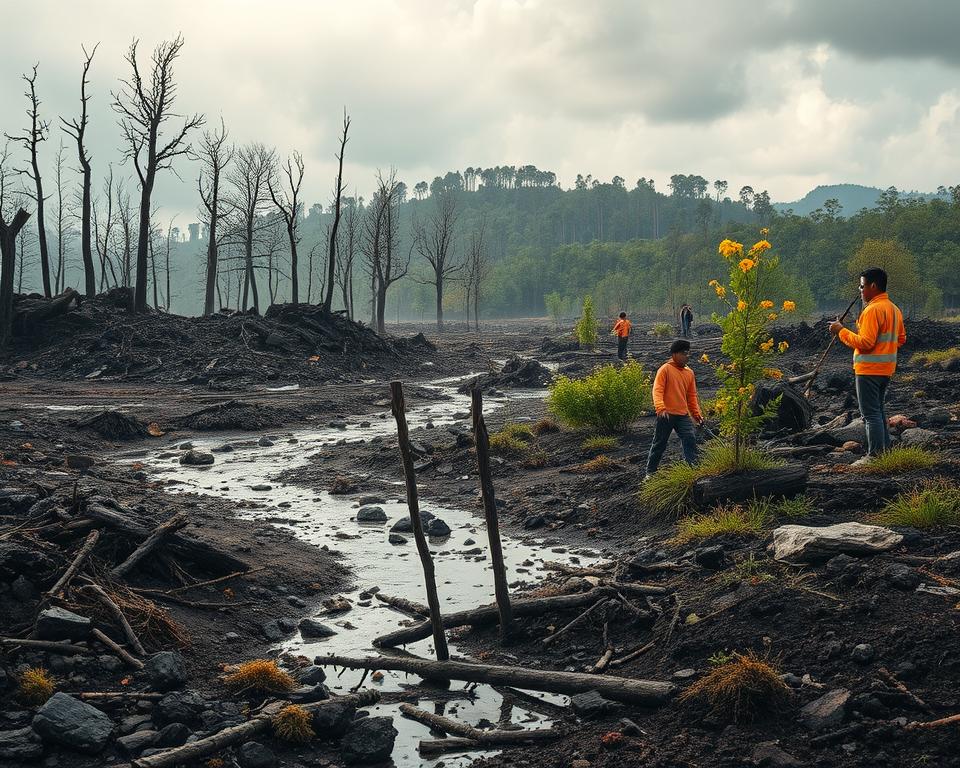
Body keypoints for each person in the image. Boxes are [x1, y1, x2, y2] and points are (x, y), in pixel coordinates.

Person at [829, 267, 905, 464]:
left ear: (873, 285)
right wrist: (884, 350)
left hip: (869, 371)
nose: (860, 290)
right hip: (886, 369)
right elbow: (901, 339)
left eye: (862, 286)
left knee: (870, 415)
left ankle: (874, 456)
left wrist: (840, 331)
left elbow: (865, 343)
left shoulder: (872, 310)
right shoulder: (894, 309)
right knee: (879, 412)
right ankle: (885, 453)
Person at [645, 338, 703, 479]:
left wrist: (696, 415)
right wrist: (660, 408)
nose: (687, 356)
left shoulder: (689, 373)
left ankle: (692, 470)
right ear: (674, 354)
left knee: (690, 438)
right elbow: (657, 390)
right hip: (666, 414)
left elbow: (692, 396)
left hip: (682, 415)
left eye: (688, 353)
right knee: (659, 443)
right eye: (684, 353)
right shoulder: (665, 369)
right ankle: (650, 473)